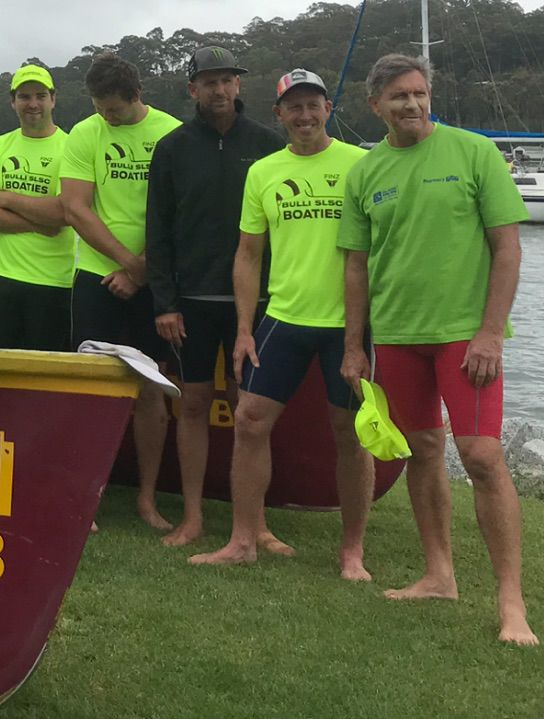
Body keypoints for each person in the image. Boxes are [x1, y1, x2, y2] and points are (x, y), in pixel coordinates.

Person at [338, 54, 537, 645]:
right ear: (375, 105)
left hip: (463, 335)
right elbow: (357, 266)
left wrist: (491, 333)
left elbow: (507, 249)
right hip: (398, 335)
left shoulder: (473, 153)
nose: (413, 104)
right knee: (422, 449)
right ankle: (439, 574)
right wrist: (356, 346)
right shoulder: (365, 172)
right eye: (399, 96)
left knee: (479, 455)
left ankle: (511, 604)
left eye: (420, 93)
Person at [189, 69, 373, 579]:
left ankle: (352, 551)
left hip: (347, 325)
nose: (305, 115)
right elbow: (248, 256)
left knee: (350, 431)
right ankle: (243, 541)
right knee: (249, 421)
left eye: (313, 104)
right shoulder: (264, 172)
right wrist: (244, 328)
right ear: (279, 114)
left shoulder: (362, 165)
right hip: (284, 317)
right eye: (294, 107)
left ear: (329, 108)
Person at [145, 47, 286, 546]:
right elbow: (157, 231)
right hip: (192, 302)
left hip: (260, 304)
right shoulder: (173, 147)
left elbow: (283, 229)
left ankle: (257, 523)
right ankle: (193, 517)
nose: (219, 90)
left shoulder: (269, 145)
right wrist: (164, 302)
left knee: (250, 409)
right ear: (192, 90)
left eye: (227, 80)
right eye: (209, 82)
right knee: (194, 404)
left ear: (239, 86)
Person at [60, 52, 182, 531]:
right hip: (96, 276)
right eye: (99, 107)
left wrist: (143, 271)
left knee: (152, 390)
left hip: (156, 279)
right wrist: (126, 265)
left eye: (114, 109)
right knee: (90, 389)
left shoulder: (170, 133)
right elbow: (76, 208)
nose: (106, 117)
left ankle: (147, 499)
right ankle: (88, 494)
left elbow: (181, 215)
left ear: (137, 96)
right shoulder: (85, 133)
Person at [0, 65, 71, 351]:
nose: (33, 104)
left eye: (40, 95)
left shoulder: (71, 147)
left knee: (46, 375)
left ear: (53, 99)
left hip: (53, 282)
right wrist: (39, 223)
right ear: (13, 102)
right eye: (24, 97)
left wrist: (9, 199)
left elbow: (64, 212)